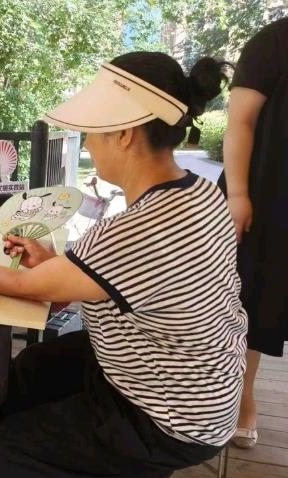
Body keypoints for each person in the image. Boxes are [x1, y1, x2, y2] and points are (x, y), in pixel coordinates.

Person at [0, 52, 247, 477]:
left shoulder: (137, 228)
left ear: (124, 134)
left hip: (166, 417)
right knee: (34, 368)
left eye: (92, 132)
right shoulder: (200, 192)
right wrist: (53, 264)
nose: (87, 143)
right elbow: (113, 278)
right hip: (201, 384)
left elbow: (26, 287)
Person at [219, 17, 288, 449]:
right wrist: (239, 194)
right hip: (267, 196)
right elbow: (240, 122)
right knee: (253, 303)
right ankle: (241, 399)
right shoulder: (275, 41)